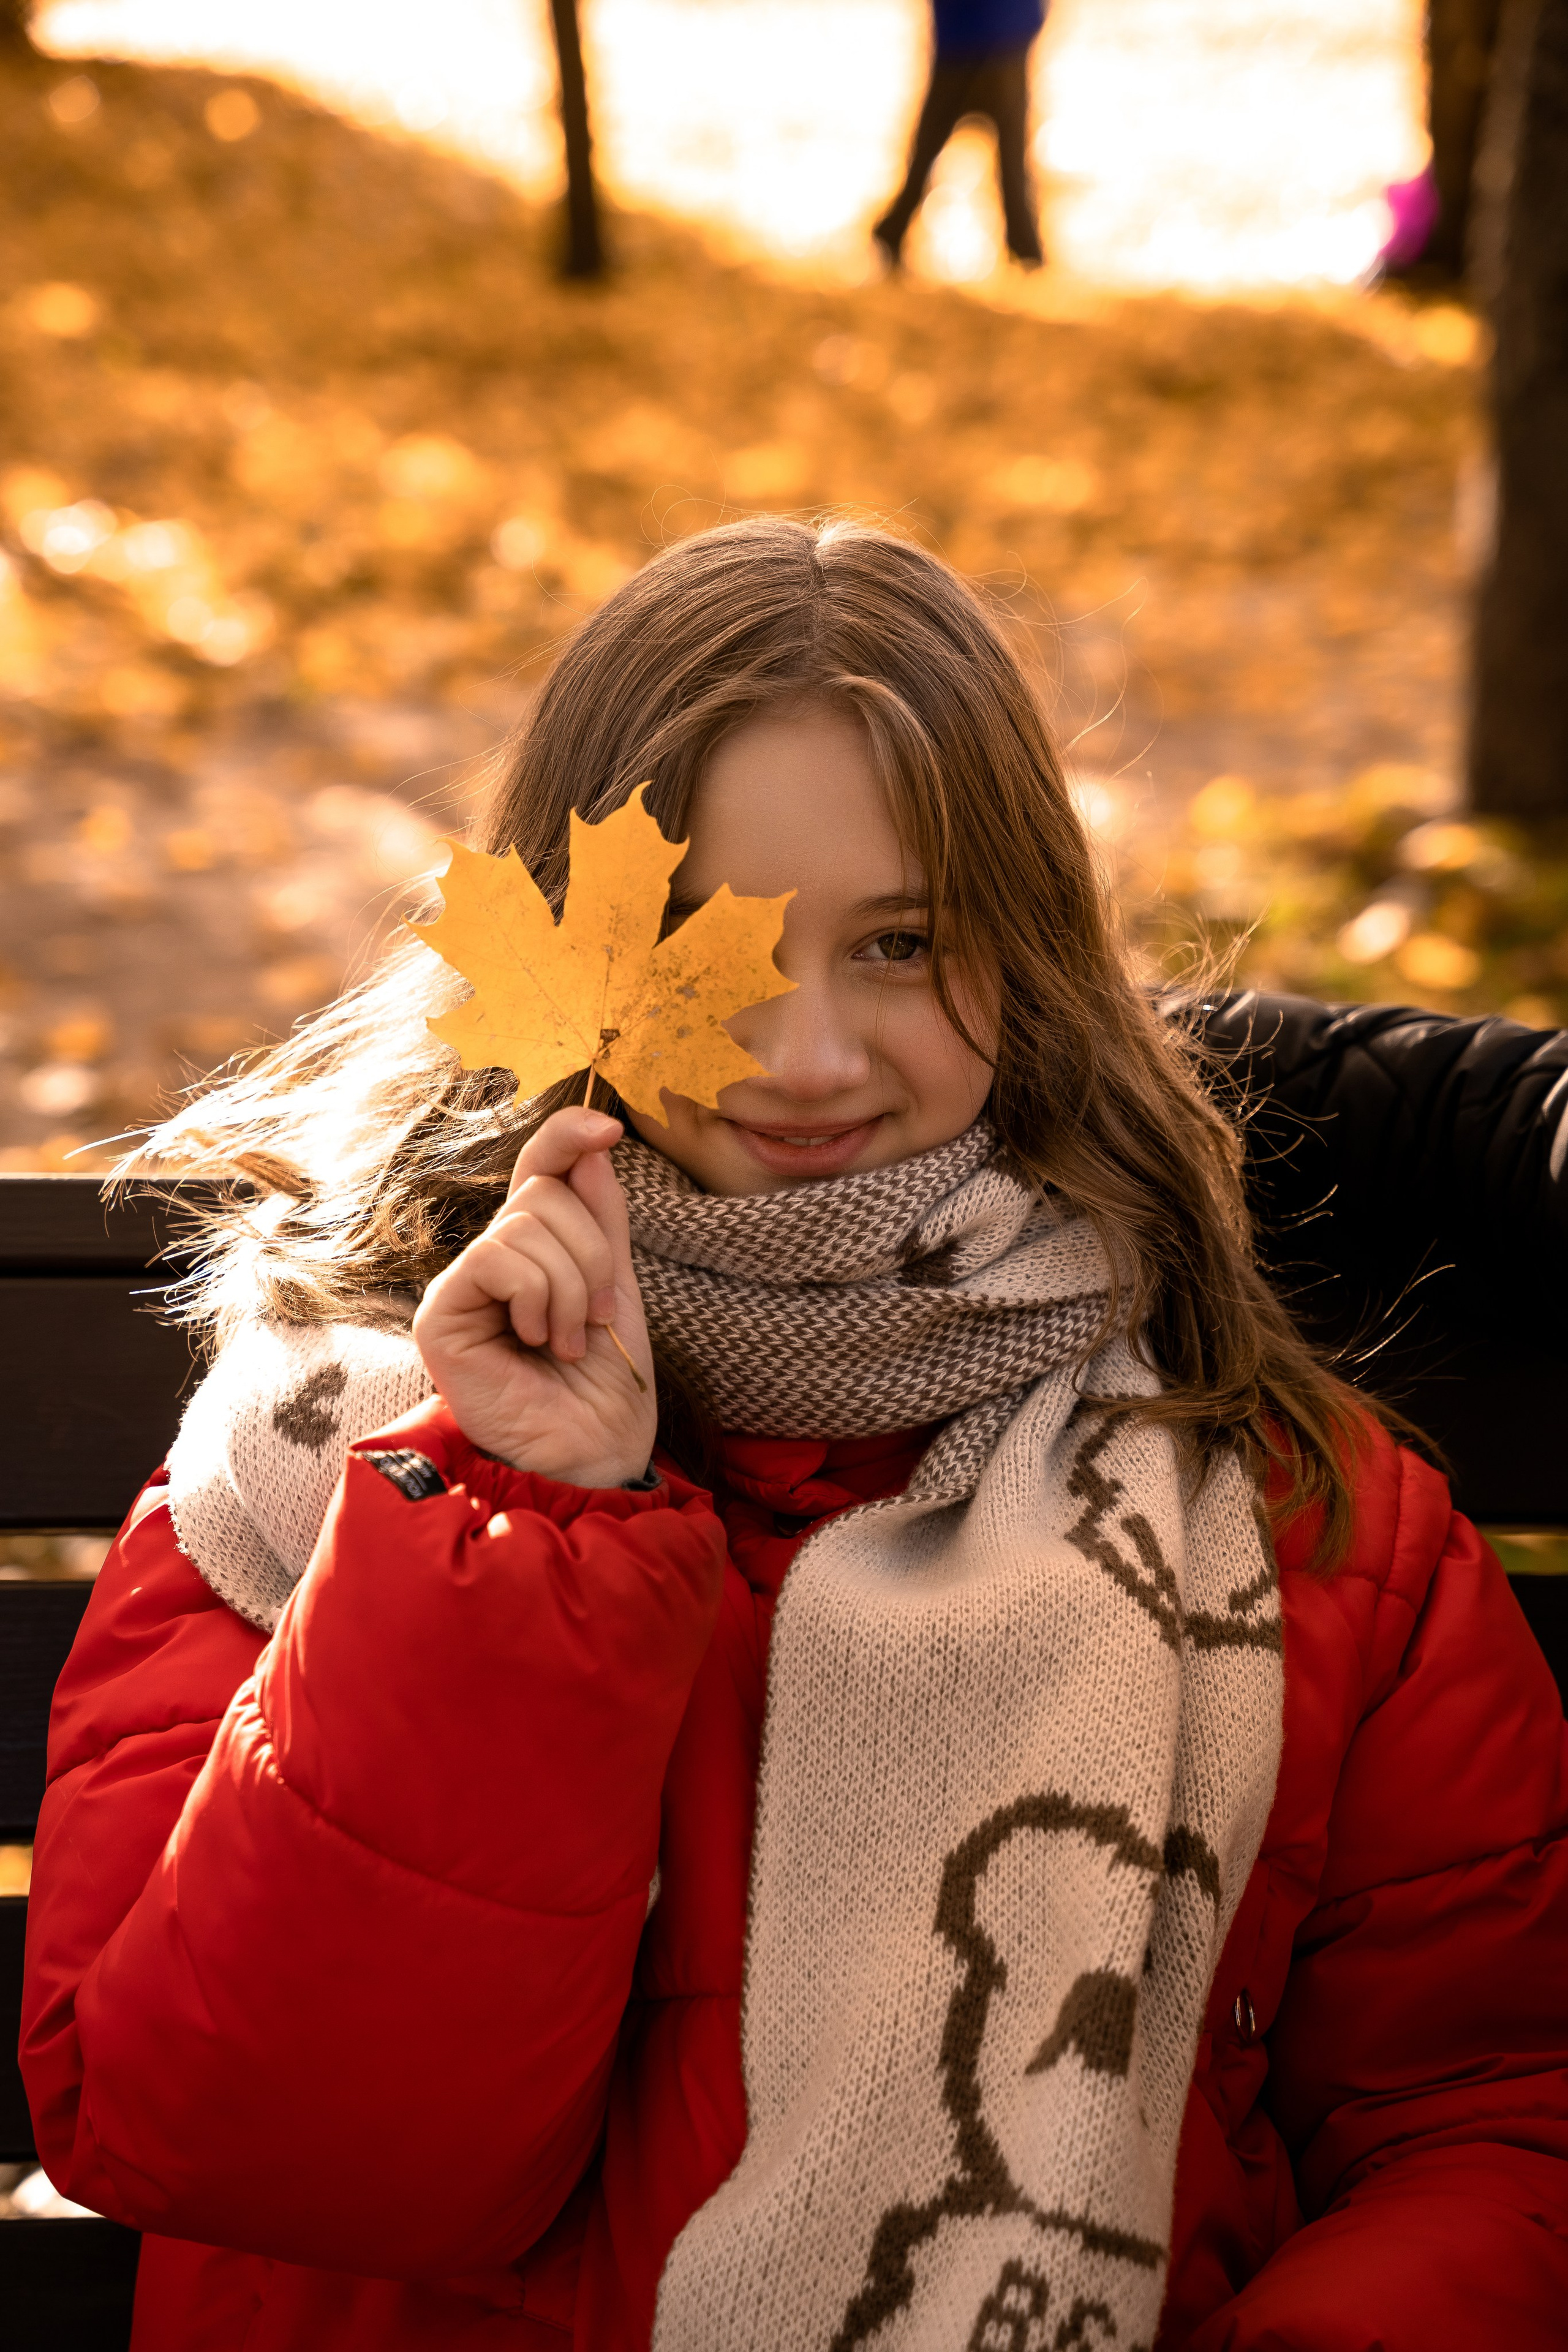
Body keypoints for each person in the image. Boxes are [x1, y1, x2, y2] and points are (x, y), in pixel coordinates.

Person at [20, 518, 1568, 2351]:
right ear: (568, 958)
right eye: (707, 947)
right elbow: (240, 2137)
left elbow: (1479, 2121)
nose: (809, 1053)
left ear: (1026, 957)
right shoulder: (326, 1451)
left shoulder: (1301, 1528)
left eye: (901, 942)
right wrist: (512, 1521)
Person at [875, 0, 1047, 271]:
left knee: (930, 149)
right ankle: (1027, 254)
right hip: (990, 33)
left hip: (975, 35)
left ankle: (892, 232)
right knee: (1010, 160)